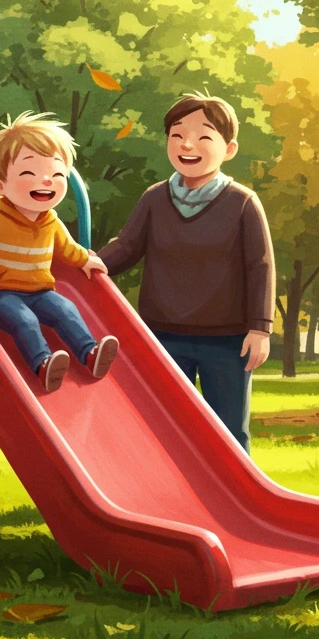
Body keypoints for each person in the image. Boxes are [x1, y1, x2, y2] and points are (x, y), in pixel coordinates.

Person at [97, 93, 273, 450]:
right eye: (177, 135)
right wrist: (95, 262)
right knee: (161, 422)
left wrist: (260, 328)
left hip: (227, 340)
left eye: (204, 136)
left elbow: (261, 266)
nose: (187, 144)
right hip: (162, 334)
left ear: (229, 149)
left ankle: (235, 498)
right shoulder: (154, 198)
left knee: (228, 428)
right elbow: (127, 247)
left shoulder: (242, 203)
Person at [0, 112, 119, 392]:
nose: (47, 181)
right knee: (24, 320)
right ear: (0, 186)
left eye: (56, 174)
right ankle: (43, 365)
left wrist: (86, 260)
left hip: (39, 291)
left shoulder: (51, 221)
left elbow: (67, 249)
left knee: (65, 308)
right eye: (30, 173)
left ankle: (89, 353)